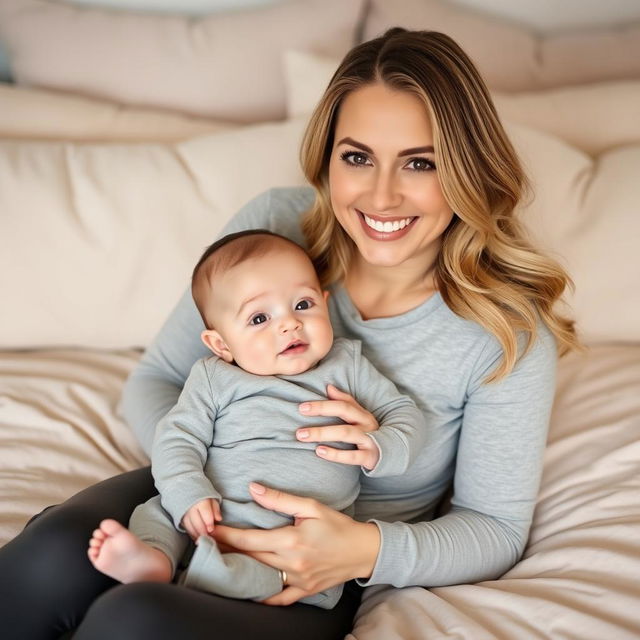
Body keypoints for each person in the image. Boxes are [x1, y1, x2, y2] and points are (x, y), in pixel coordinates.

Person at [0, 27, 579, 640]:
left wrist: (366, 551)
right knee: (48, 560)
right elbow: (158, 380)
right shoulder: (276, 228)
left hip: (316, 559)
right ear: (328, 157)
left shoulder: (505, 330)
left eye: (421, 162)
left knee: (134, 620)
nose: (382, 195)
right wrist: (193, 481)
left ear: (468, 166)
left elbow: (494, 527)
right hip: (193, 491)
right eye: (357, 157)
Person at [87, 229, 426, 610]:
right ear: (221, 345)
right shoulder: (214, 377)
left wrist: (380, 448)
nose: (289, 324)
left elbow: (403, 414)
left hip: (298, 533)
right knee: (159, 512)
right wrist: (187, 492)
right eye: (259, 317)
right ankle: (153, 561)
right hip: (210, 504)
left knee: (295, 573)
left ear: (326, 305)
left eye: (303, 304)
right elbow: (178, 437)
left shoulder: (346, 365)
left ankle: (216, 576)